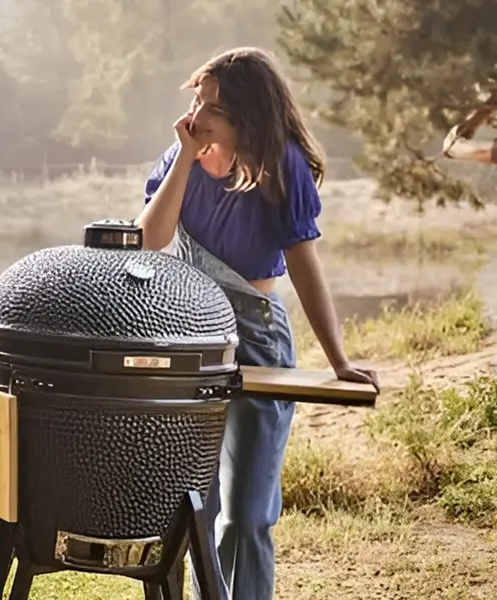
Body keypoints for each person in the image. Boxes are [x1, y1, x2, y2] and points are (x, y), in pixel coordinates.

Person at [136, 46, 378, 600]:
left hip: (258, 341)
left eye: (209, 108)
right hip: (193, 338)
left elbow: (304, 267)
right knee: (196, 508)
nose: (194, 117)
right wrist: (184, 156)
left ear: (245, 115)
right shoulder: (183, 158)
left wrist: (338, 360)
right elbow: (150, 241)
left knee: (245, 516)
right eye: (195, 101)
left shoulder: (281, 165)